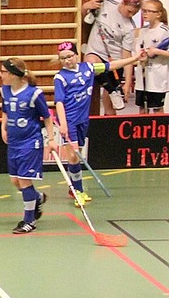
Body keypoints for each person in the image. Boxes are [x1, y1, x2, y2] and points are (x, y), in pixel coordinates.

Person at [53, 41, 140, 205]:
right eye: (63, 58)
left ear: (76, 55)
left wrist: (134, 59)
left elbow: (111, 66)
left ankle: (74, 187)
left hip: (83, 120)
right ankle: (78, 191)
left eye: (69, 56)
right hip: (69, 121)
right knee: (73, 156)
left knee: (76, 155)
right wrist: (63, 124)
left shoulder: (89, 68)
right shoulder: (60, 77)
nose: (67, 61)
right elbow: (59, 102)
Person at [0, 58, 57, 234]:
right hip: (14, 142)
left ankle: (29, 220)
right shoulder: (5, 91)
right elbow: (5, 111)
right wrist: (3, 128)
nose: (0, 75)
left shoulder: (34, 93)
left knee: (24, 181)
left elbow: (47, 117)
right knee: (15, 181)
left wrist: (51, 139)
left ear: (13, 74)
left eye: (3, 72)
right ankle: (37, 197)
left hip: (30, 142)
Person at [82, 0, 141, 113]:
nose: (131, 15)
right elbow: (83, 18)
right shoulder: (105, 5)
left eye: (134, 13)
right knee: (90, 63)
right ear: (123, 2)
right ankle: (112, 90)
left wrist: (128, 83)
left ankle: (110, 118)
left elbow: (126, 55)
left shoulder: (129, 27)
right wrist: (85, 7)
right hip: (96, 53)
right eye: (129, 11)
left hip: (115, 61)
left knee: (109, 105)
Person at [134, 0, 169, 114]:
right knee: (142, 108)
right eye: (143, 11)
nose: (145, 14)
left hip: (157, 77)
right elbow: (138, 49)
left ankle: (160, 126)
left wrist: (157, 51)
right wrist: (141, 55)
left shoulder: (164, 30)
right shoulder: (143, 30)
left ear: (158, 14)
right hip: (142, 75)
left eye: (149, 11)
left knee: (157, 107)